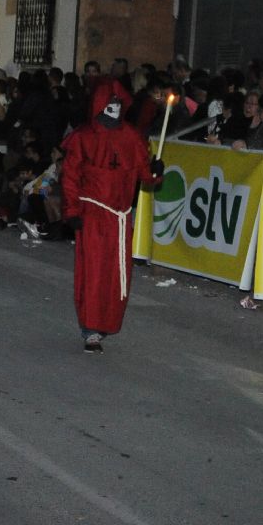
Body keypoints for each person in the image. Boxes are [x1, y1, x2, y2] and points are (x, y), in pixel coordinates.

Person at [61, 80, 163, 353]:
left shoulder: (131, 137)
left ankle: (107, 321)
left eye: (119, 104)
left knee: (117, 275)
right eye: (111, 103)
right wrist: (72, 211)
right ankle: (90, 328)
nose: (115, 108)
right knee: (93, 272)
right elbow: (70, 177)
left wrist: (155, 170)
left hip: (120, 217)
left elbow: (145, 175)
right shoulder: (84, 137)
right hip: (93, 214)